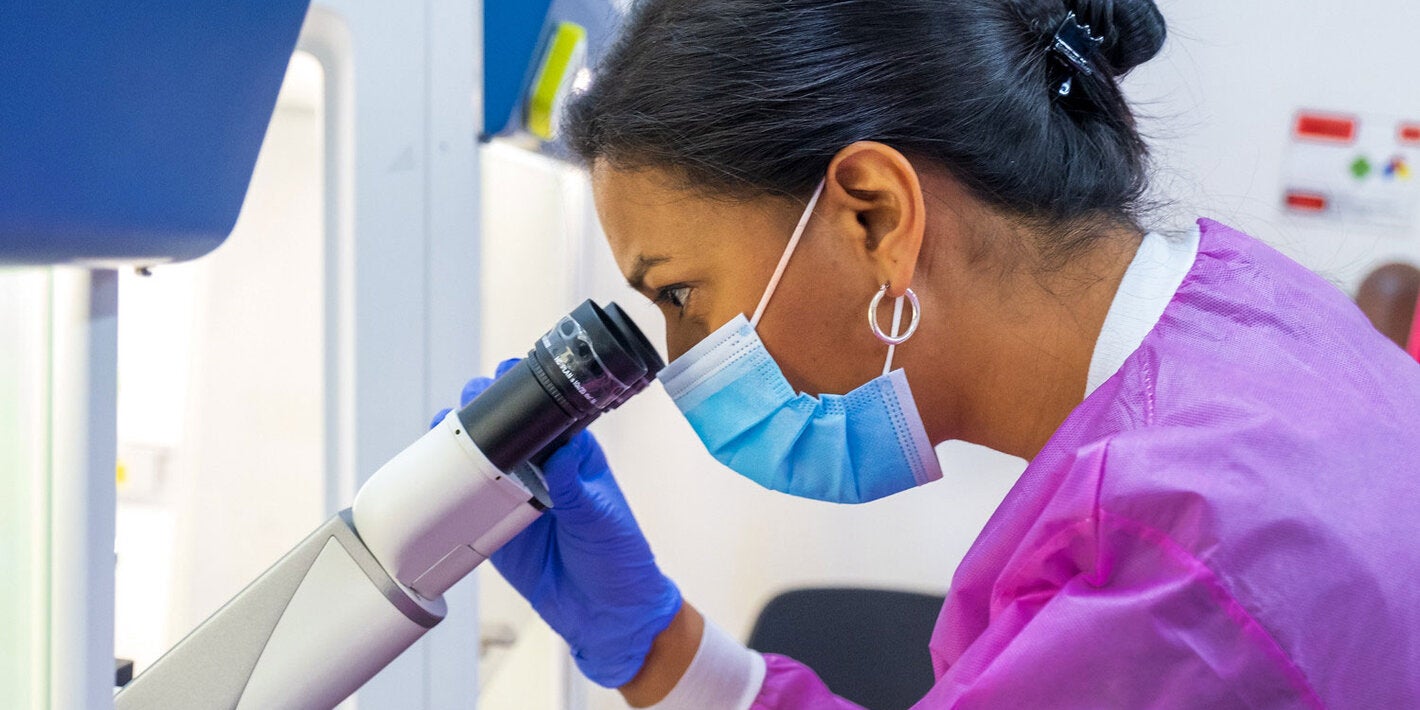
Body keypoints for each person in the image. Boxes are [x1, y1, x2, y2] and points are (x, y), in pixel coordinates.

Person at [451, 0, 1420, 706]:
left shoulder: (1179, 561)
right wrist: (663, 646)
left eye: (678, 293)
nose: (676, 359)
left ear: (875, 216)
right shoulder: (1247, 308)